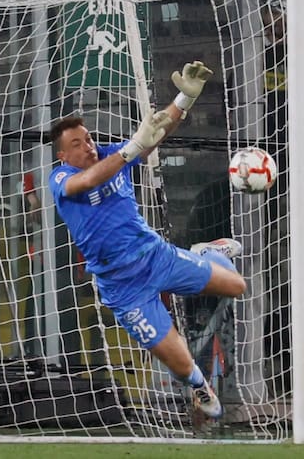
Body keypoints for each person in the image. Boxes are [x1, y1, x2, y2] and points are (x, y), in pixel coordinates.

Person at [48, 60, 246, 420]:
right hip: (123, 286)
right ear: (63, 156)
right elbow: (88, 182)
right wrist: (132, 148)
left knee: (237, 285)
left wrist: (184, 100)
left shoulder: (110, 154)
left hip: (156, 256)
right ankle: (200, 385)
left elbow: (157, 131)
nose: (88, 146)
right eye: (77, 144)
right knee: (179, 361)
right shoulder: (61, 179)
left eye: (89, 138)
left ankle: (202, 252)